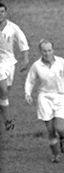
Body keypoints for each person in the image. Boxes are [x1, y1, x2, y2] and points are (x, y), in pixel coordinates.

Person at [24, 39, 64, 163]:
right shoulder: (37, 65)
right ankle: (56, 154)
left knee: (60, 127)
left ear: (53, 50)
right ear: (40, 51)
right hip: (45, 97)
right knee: (50, 129)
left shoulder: (61, 62)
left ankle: (63, 137)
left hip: (60, 96)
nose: (47, 53)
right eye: (44, 51)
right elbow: (30, 80)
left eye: (49, 50)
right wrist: (28, 93)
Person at [0, 2, 29, 131]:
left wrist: (25, 58)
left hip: (9, 63)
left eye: (2, 12)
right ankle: (7, 121)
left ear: (6, 13)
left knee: (5, 92)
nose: (0, 14)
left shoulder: (12, 27)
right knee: (3, 90)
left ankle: (5, 118)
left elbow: (22, 41)